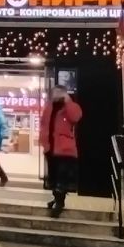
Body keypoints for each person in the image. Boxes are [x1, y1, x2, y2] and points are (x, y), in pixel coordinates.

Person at [39, 85, 82, 217]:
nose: (56, 95)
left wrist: (68, 101)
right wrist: (44, 143)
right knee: (53, 178)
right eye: (54, 92)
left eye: (59, 93)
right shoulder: (49, 107)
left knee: (62, 178)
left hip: (64, 150)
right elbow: (44, 124)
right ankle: (57, 198)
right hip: (50, 148)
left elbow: (76, 117)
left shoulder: (71, 106)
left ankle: (59, 203)